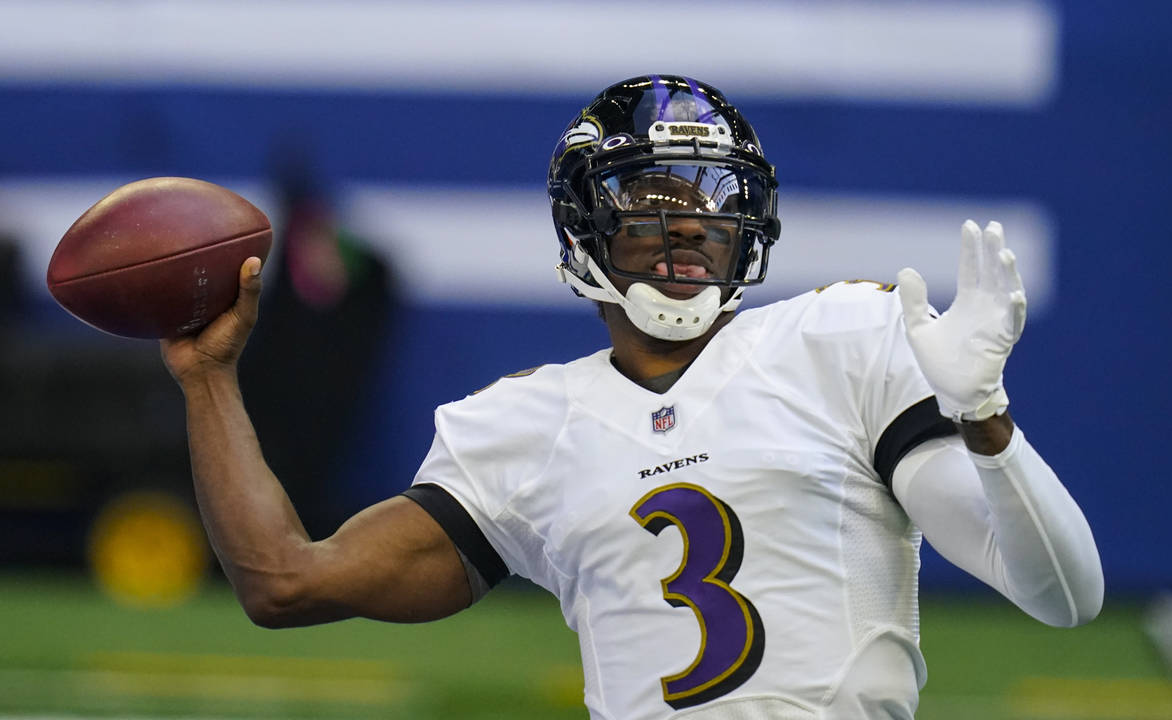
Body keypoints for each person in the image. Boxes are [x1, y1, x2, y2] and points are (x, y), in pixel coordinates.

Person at [160, 75, 1104, 720]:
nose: (685, 229)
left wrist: (987, 418)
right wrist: (208, 380)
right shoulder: (524, 427)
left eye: (708, 207)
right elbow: (284, 581)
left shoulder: (840, 340)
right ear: (586, 231)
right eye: (650, 204)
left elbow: (1062, 595)